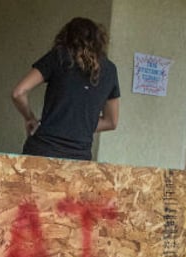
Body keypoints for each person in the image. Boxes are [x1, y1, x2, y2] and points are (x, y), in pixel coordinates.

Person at [10, 17, 120, 161]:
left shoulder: (58, 56)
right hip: (78, 158)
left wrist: (30, 118)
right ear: (99, 41)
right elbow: (111, 121)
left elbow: (18, 93)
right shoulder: (110, 70)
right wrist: (80, 125)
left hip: (42, 151)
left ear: (66, 37)